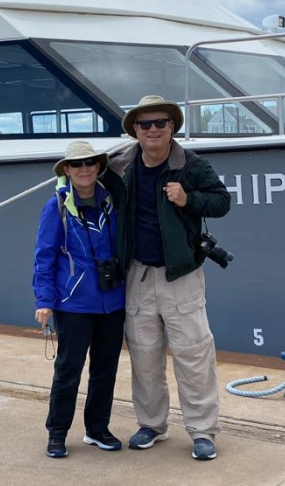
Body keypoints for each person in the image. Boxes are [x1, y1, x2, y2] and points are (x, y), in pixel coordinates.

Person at [104, 95, 231, 460]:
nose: (154, 129)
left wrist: (188, 199)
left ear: (172, 126)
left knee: (193, 353)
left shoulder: (191, 164)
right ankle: (151, 425)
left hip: (181, 275)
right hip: (138, 274)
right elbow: (84, 185)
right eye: (145, 124)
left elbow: (222, 201)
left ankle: (203, 431)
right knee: (143, 355)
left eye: (161, 122)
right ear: (135, 130)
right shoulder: (119, 167)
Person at [33, 141, 126, 458]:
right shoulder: (56, 207)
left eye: (90, 163)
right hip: (73, 303)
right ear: (67, 170)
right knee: (68, 370)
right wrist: (44, 300)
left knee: (105, 370)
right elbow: (44, 256)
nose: (84, 169)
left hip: (112, 301)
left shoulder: (112, 201)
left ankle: (97, 429)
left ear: (99, 167)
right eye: (77, 164)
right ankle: (57, 433)